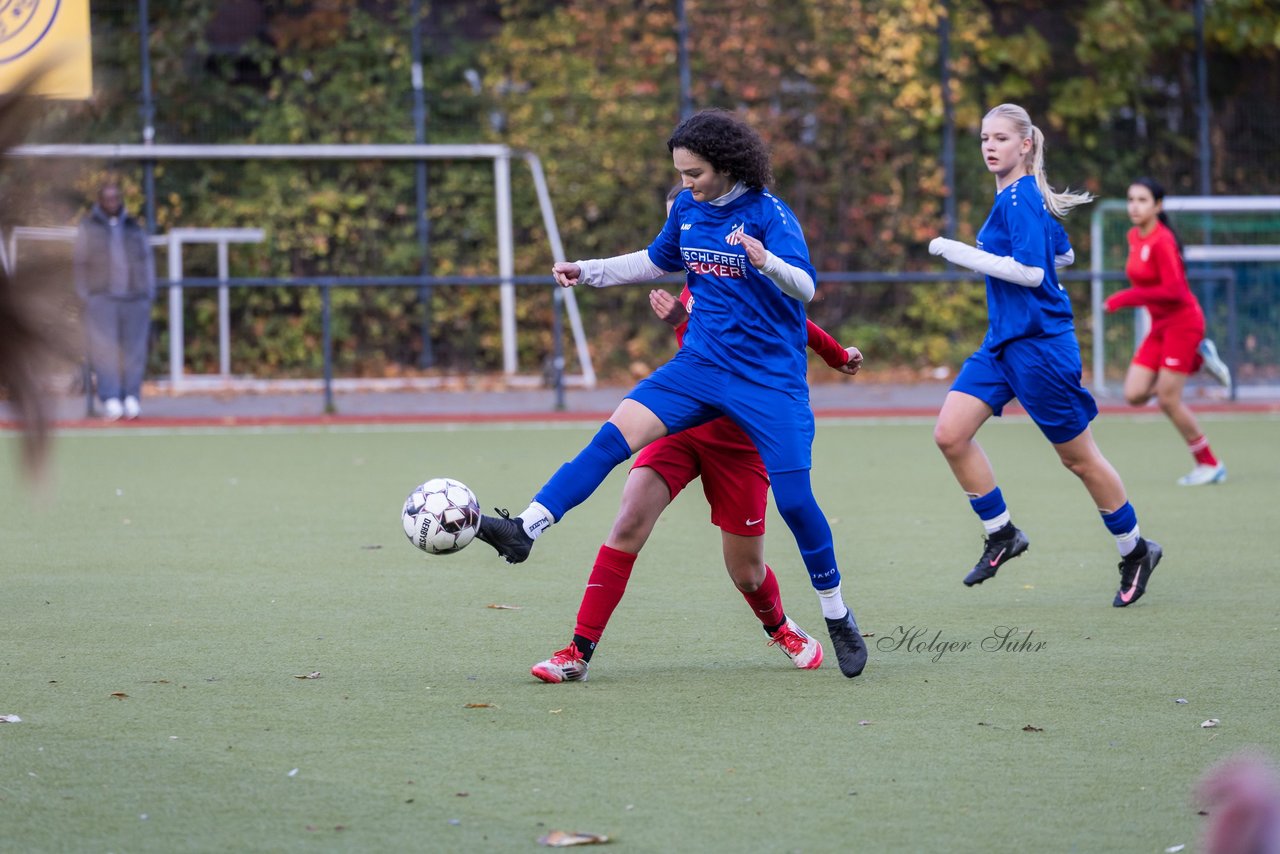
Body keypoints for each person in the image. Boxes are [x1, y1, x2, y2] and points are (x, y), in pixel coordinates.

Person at [478, 109, 869, 678]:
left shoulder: (770, 214)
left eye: (695, 173)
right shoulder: (687, 209)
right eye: (680, 173)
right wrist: (587, 270)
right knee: (613, 438)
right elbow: (652, 261)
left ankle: (836, 614)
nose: (686, 183)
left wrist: (768, 263)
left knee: (792, 505)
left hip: (766, 385)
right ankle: (526, 528)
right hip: (700, 368)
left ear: (727, 165)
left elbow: (805, 289)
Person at [927, 103, 1163, 608]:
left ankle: (1136, 549)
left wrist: (959, 251)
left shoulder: (1022, 196)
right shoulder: (1017, 198)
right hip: (1003, 343)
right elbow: (1063, 255)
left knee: (1079, 459)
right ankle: (1002, 533)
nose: (990, 146)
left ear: (1025, 144)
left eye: (1001, 138)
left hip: (1040, 349)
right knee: (950, 434)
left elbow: (1033, 273)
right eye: (985, 138)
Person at [1105, 176, 1229, 486]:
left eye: (1142, 200)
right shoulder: (1134, 236)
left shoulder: (1163, 240)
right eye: (1131, 199)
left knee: (1167, 399)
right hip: (1160, 326)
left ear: (1158, 206)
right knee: (1134, 394)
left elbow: (1174, 291)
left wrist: (1125, 298)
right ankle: (1198, 360)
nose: (1134, 206)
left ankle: (1210, 464)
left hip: (1183, 324)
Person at [74, 182, 155, 421]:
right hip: (102, 299)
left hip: (135, 298)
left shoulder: (134, 226)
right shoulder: (88, 227)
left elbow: (147, 259)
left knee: (134, 351)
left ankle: (131, 398)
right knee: (105, 351)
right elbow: (80, 262)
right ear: (100, 200)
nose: (112, 202)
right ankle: (111, 399)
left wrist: (148, 293)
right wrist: (85, 295)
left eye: (116, 198)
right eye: (108, 198)